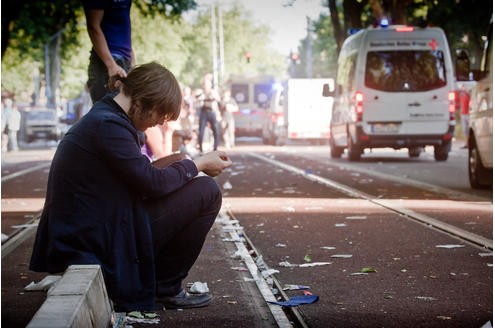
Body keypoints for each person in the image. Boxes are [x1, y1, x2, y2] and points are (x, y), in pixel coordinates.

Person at [29, 62, 233, 312]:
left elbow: (140, 177)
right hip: (92, 242)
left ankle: (160, 284)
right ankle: (164, 288)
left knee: (181, 165)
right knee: (207, 192)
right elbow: (152, 184)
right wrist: (198, 164)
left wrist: (187, 162)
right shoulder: (109, 126)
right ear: (144, 100)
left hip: (94, 228)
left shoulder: (107, 117)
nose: (157, 123)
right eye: (159, 114)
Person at [83, 0, 135, 103]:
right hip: (108, 63)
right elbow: (93, 26)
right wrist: (111, 65)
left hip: (123, 62)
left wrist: (132, 64)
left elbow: (124, 29)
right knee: (107, 114)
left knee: (122, 114)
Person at [197, 74, 221, 154]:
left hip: (212, 112)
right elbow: (197, 98)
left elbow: (218, 99)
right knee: (201, 130)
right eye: (205, 85)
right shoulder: (201, 92)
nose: (206, 86)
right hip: (204, 112)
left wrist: (211, 96)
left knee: (216, 130)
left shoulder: (213, 92)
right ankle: (200, 148)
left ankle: (215, 148)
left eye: (207, 85)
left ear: (210, 85)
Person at [458, 84, 471, 148]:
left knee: (469, 129)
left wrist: (466, 90)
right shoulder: (461, 95)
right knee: (464, 130)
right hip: (463, 114)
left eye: (464, 87)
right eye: (462, 87)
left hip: (469, 114)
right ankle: (466, 144)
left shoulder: (468, 95)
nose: (463, 89)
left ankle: (470, 143)